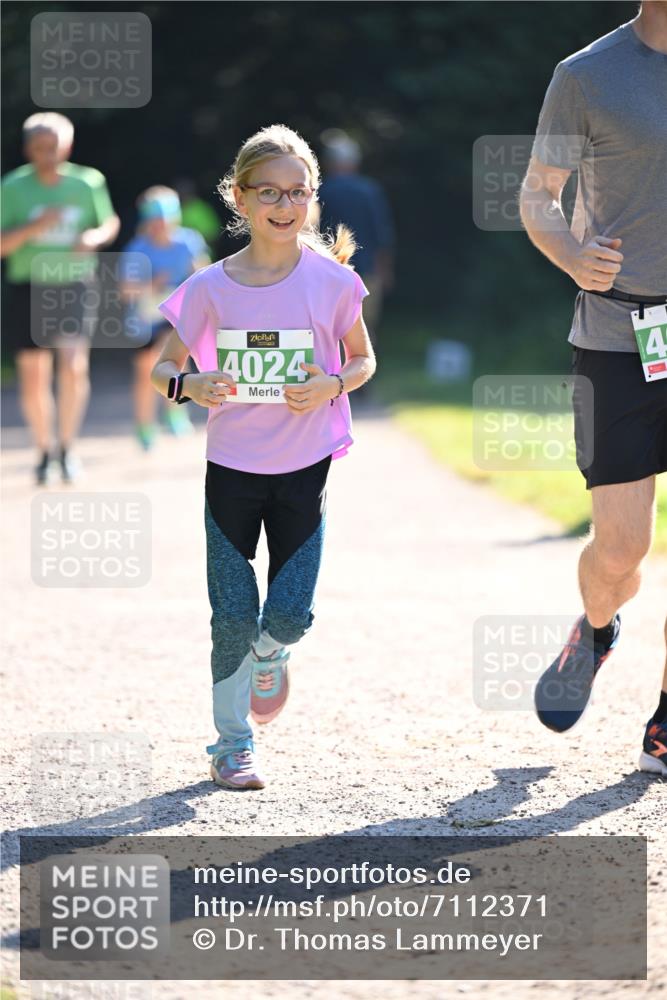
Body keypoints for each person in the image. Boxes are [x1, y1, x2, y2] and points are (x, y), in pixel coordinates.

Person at [151, 124, 376, 790]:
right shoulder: (209, 288)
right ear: (239, 199)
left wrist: (330, 384)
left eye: (298, 192)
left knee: (289, 616)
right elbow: (165, 370)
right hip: (231, 468)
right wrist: (191, 384)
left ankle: (270, 653)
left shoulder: (333, 282)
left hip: (306, 466)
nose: (285, 204)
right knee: (229, 615)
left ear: (312, 198)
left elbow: (363, 360)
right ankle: (231, 744)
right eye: (269, 192)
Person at [519, 1, 667, 775]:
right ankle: (596, 627)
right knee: (621, 550)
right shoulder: (586, 75)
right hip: (618, 335)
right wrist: (574, 256)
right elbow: (536, 193)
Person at [1, 112, 119, 484]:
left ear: (66, 146)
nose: (47, 155)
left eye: (53, 147)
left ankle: (67, 448)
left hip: (72, 284)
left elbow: (108, 223)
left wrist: (93, 238)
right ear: (27, 149)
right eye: (39, 148)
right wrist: (35, 226)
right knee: (34, 376)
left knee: (73, 366)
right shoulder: (13, 187)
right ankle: (43, 451)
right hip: (28, 285)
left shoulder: (87, 183)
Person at [120, 186, 210, 450]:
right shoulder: (136, 248)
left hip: (176, 314)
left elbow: (204, 274)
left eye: (164, 220)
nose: (160, 226)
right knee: (145, 369)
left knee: (174, 356)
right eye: (155, 221)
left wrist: (194, 276)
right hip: (143, 317)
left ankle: (174, 410)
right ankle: (144, 425)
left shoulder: (189, 241)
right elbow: (125, 292)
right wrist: (150, 285)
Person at [317, 130, 395, 344]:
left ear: (329, 162)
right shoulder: (370, 191)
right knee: (365, 326)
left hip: (329, 271)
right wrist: (385, 270)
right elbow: (382, 234)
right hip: (366, 270)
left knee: (331, 326)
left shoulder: (322, 192)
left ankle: (334, 371)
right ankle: (364, 372)